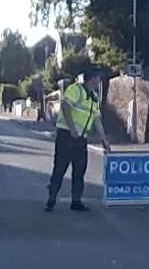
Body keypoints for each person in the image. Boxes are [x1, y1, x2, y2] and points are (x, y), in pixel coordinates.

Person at [45, 69, 111, 212]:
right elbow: (65, 106)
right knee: (60, 168)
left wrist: (104, 139)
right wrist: (72, 128)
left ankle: (76, 201)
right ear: (92, 78)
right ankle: (51, 198)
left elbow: (97, 119)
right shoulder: (75, 89)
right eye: (99, 78)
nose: (100, 82)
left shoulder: (93, 97)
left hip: (81, 139)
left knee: (79, 170)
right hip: (66, 135)